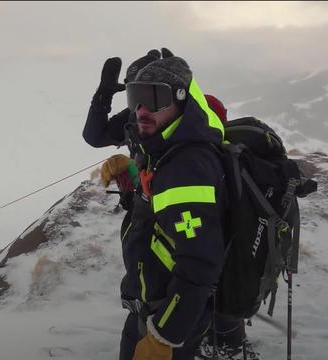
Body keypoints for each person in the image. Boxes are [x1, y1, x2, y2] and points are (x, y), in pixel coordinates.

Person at [87, 50, 230, 360]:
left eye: (154, 97)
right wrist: (133, 171)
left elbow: (200, 265)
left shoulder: (188, 167)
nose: (140, 109)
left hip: (167, 317)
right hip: (150, 307)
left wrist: (164, 336)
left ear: (181, 100)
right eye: (135, 97)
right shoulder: (164, 150)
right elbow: (161, 205)